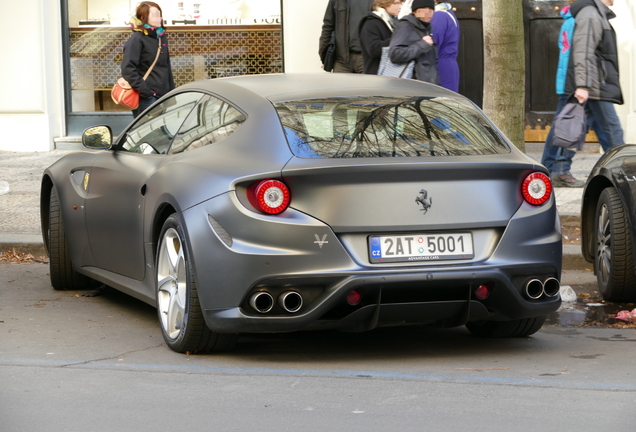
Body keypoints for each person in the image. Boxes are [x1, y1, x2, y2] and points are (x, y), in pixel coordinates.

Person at [541, 0, 611, 187]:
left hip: (574, 82)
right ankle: (556, 170)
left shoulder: (570, 19)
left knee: (570, 124)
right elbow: (579, 55)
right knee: (566, 126)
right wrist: (581, 85)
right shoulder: (579, 19)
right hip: (575, 83)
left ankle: (550, 169)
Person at [565, 0, 624, 147]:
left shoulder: (597, 13)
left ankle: (559, 167)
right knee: (612, 128)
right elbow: (583, 51)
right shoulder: (590, 14)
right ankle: (625, 167)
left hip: (596, 82)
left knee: (574, 129)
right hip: (596, 83)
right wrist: (583, 86)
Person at [122, 1, 175, 118]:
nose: (159, 18)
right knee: (148, 132)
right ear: (143, 17)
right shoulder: (137, 39)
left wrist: (171, 92)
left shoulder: (161, 37)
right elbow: (128, 70)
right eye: (155, 15)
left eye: (159, 14)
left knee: (161, 130)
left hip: (163, 95)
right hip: (147, 97)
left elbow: (166, 67)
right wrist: (147, 93)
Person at [388, 0, 439, 84]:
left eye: (430, 10)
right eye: (423, 10)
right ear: (415, 11)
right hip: (412, 85)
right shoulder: (405, 26)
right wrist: (422, 45)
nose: (428, 14)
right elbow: (395, 54)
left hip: (427, 84)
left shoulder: (426, 28)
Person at [319, 0, 374, 73]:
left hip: (367, 60)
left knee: (368, 84)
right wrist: (324, 56)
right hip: (341, 61)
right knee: (339, 84)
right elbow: (328, 26)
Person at [359, 0, 403, 74]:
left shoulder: (394, 22)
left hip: (392, 74)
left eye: (401, 3)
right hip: (376, 75)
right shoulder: (370, 22)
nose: (400, 7)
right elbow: (373, 49)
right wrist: (397, 40)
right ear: (385, 3)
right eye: (396, 3)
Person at [430, 1, 459, 92]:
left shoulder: (439, 15)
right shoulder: (446, 12)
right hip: (446, 64)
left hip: (440, 66)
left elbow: (433, 43)